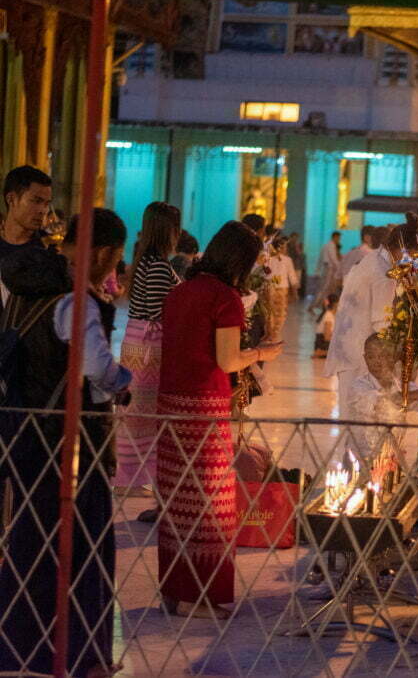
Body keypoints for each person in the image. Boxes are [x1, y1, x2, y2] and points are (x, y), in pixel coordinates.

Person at [0, 208, 132, 677]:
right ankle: (86, 656)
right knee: (86, 547)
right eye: (115, 259)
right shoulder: (76, 301)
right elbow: (97, 369)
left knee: (32, 544)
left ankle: (22, 648)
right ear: (100, 252)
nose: (114, 269)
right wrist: (125, 379)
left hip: (28, 435)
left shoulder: (26, 291)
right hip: (74, 443)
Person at [157, 221, 283, 619]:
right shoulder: (225, 297)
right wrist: (262, 353)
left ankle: (176, 590)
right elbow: (228, 360)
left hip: (169, 407)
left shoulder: (179, 292)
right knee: (211, 504)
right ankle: (198, 597)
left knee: (178, 500)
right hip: (204, 409)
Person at [115, 202, 182, 519]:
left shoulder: (143, 262)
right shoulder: (157, 266)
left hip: (135, 344)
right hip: (149, 348)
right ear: (168, 231)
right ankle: (143, 478)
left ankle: (134, 475)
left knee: (136, 415)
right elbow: (159, 312)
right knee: (150, 418)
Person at [324, 215, 418, 420]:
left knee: (352, 424)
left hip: (351, 351)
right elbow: (382, 324)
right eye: (413, 255)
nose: (413, 261)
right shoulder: (383, 273)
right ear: (402, 250)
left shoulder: (374, 259)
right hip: (363, 356)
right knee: (361, 426)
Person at [347, 334, 418, 469]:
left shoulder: (401, 386)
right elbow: (385, 402)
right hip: (363, 463)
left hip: (393, 462)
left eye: (382, 356)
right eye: (371, 357)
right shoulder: (358, 386)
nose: (376, 362)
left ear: (393, 358)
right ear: (364, 359)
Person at [0, 166, 51, 309]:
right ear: (11, 199)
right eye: (36, 201)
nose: (42, 210)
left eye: (46, 204)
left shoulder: (47, 250)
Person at [266, 236, 299, 343]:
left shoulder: (268, 259)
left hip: (270, 288)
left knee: (270, 312)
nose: (286, 248)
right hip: (280, 289)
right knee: (279, 313)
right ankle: (274, 335)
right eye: (285, 246)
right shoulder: (286, 260)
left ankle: (270, 334)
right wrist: (295, 292)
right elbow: (292, 277)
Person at [313, 293, 338, 358]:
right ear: (336, 305)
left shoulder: (329, 314)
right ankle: (321, 352)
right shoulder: (328, 316)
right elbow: (326, 336)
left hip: (321, 342)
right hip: (322, 343)